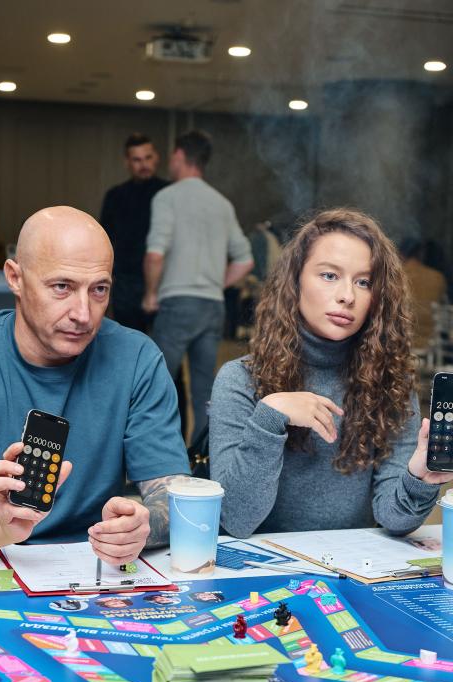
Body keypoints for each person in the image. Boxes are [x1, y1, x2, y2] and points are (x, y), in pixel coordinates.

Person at [0, 206, 190, 563]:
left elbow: (175, 497)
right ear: (15, 278)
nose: (83, 314)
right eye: (62, 287)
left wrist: (141, 527)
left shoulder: (137, 359)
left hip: (96, 563)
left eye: (99, 290)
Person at [210, 208, 448, 539]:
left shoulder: (390, 382)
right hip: (264, 565)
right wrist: (270, 416)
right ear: (294, 281)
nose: (347, 296)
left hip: (350, 564)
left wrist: (418, 477)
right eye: (329, 276)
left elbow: (394, 520)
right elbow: (235, 520)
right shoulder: (240, 380)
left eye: (363, 282)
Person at [143, 130, 253, 443]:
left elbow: (155, 253)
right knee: (204, 391)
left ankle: (155, 455)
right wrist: (217, 284)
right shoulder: (222, 204)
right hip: (212, 306)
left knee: (156, 384)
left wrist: (151, 294)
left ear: (179, 155)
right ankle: (201, 458)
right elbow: (245, 260)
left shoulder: (167, 197)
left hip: (178, 303)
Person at [100, 134, 169, 333]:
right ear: (127, 162)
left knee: (166, 347)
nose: (143, 165)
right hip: (125, 284)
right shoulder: (115, 196)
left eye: (148, 158)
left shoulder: (169, 193)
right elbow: (105, 241)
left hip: (163, 282)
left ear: (156, 157)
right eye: (137, 160)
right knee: (127, 342)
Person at [400, 237, 446, 349]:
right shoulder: (438, 277)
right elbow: (442, 307)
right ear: (420, 254)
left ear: (401, 255)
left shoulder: (398, 275)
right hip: (430, 342)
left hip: (402, 338)